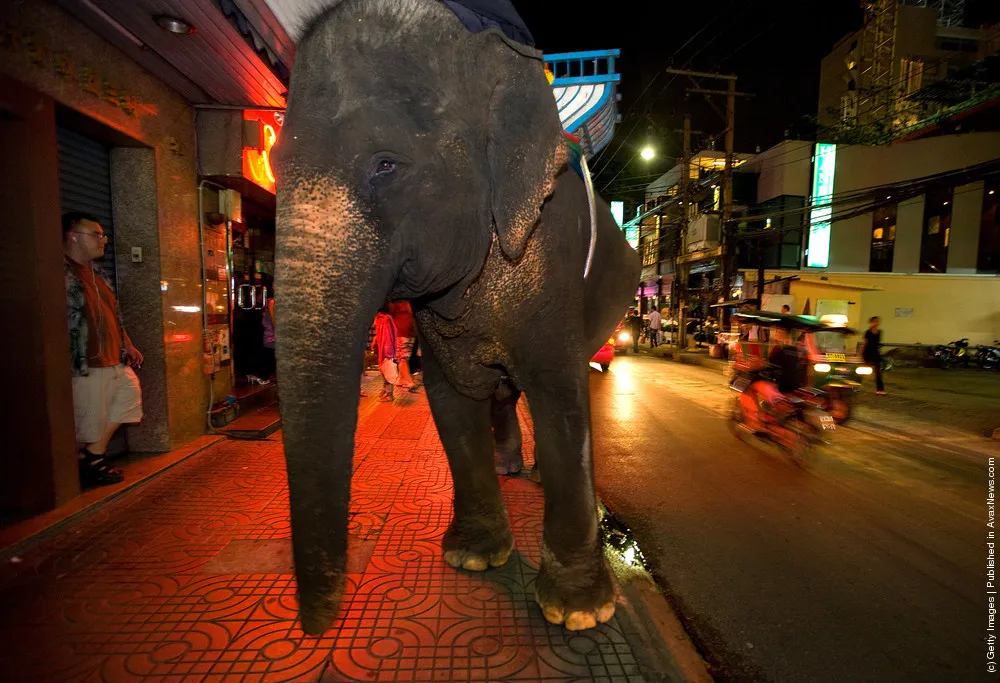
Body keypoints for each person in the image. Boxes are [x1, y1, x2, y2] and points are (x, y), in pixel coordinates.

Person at [63, 212, 143, 488]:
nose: (103, 241)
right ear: (73, 236)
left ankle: (92, 456)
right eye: (96, 235)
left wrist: (128, 343)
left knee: (128, 401)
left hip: (114, 358)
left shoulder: (97, 274)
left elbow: (113, 315)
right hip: (88, 362)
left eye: (103, 235)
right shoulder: (61, 273)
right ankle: (82, 466)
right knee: (87, 420)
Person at [389, 300, 419, 391]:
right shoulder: (397, 301)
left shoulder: (409, 301)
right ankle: (409, 381)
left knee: (405, 357)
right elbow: (390, 315)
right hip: (400, 333)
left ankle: (400, 379)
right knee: (403, 358)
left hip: (410, 333)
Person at [371, 304, 398, 402]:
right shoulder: (380, 318)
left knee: (388, 370)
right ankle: (386, 391)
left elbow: (387, 336)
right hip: (382, 348)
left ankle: (390, 395)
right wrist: (375, 340)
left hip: (386, 349)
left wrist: (387, 352)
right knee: (384, 370)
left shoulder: (385, 318)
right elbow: (380, 333)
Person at [860, 316, 887, 395]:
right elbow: (865, 343)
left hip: (875, 353)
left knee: (878, 372)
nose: (876, 323)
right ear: (871, 322)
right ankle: (856, 385)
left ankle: (880, 389)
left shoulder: (880, 332)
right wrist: (861, 353)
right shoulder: (867, 332)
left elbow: (877, 343)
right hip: (868, 353)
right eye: (874, 321)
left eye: (877, 321)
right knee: (862, 371)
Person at [260, 284, 276, 381]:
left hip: (272, 336)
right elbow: (275, 322)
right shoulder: (272, 302)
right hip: (271, 337)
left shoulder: (273, 302)